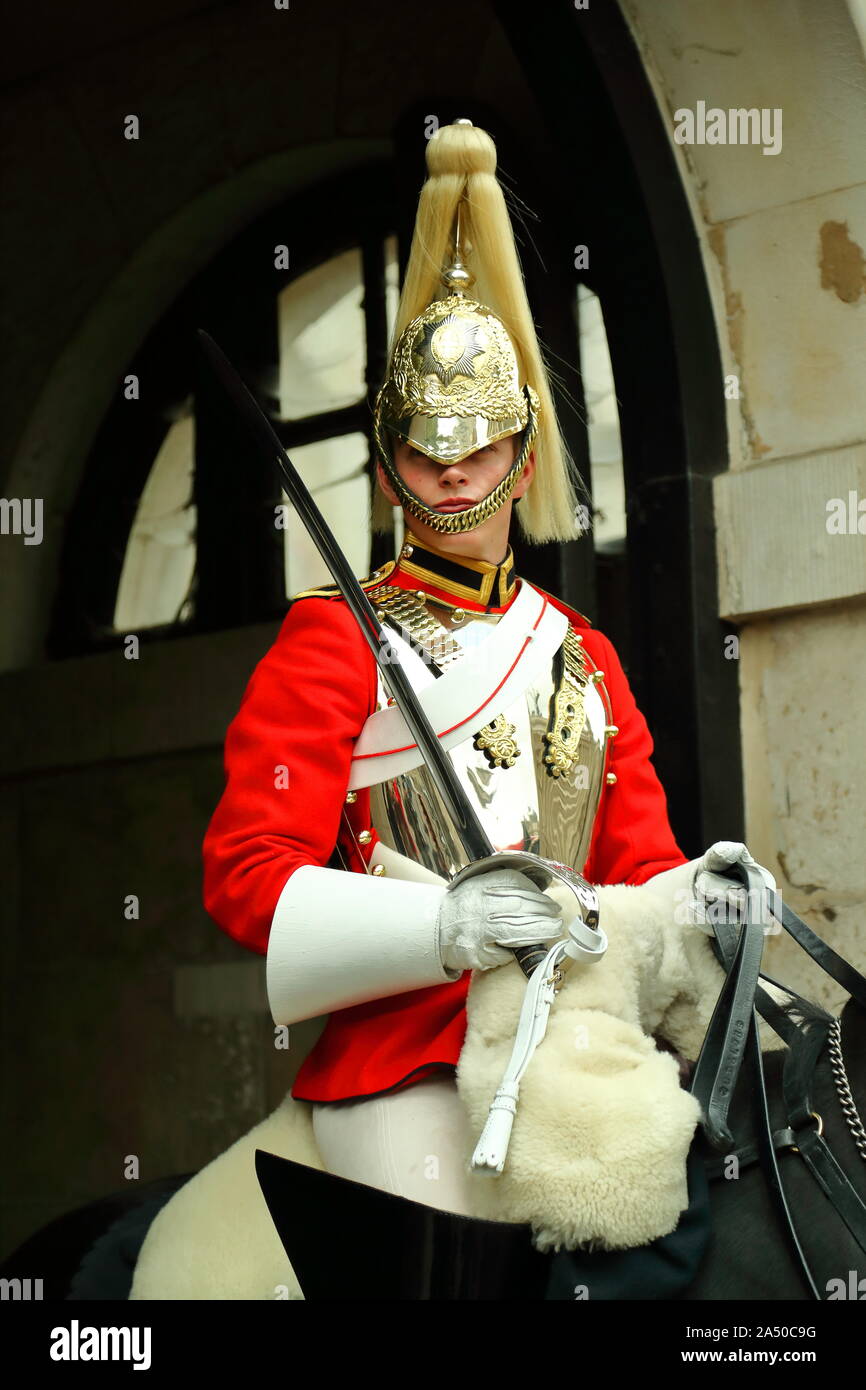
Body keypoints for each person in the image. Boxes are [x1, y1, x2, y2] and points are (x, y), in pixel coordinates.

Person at [201, 121, 774, 1249]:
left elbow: (636, 874)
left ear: (520, 453)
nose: (450, 468)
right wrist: (441, 925)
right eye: (422, 447)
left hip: (583, 1043)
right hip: (407, 1054)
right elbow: (246, 875)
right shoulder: (332, 639)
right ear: (387, 464)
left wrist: (703, 902)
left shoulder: (581, 653)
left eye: (475, 444)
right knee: (464, 1237)